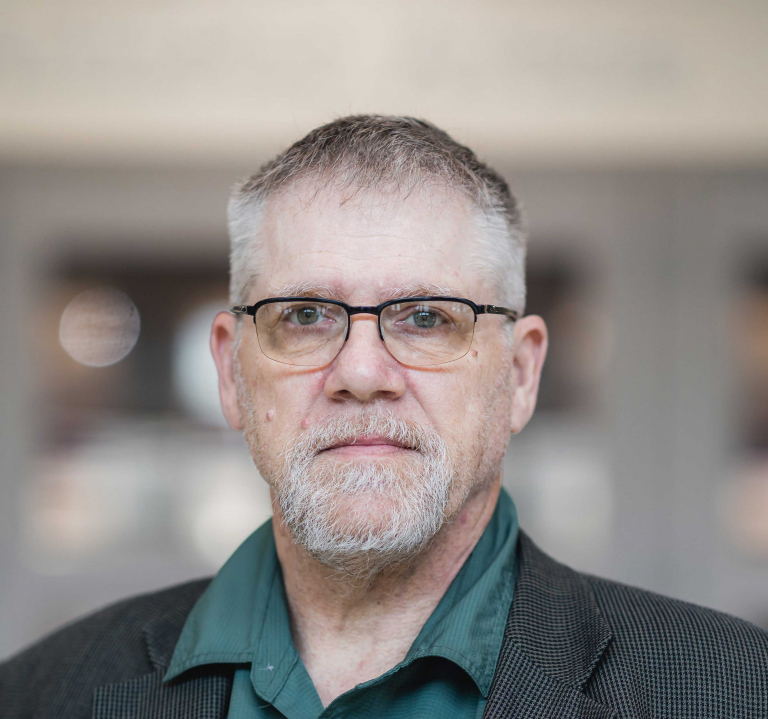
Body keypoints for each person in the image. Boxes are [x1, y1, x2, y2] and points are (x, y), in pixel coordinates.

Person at [2, 115, 767, 719]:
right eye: (304, 315)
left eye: (428, 317)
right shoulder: (40, 695)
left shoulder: (735, 692)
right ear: (232, 371)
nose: (362, 374)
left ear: (521, 373)